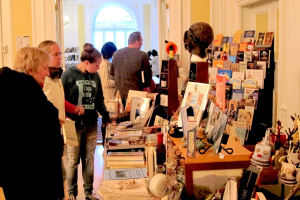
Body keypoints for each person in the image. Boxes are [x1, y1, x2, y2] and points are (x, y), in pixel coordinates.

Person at [0, 47, 64, 199]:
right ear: (30, 69)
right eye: (45, 68)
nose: (48, 73)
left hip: (14, 172)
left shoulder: (12, 88)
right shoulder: (27, 88)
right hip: (33, 175)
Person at [61, 43, 110, 200]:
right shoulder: (68, 75)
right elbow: (61, 100)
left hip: (90, 124)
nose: (98, 69)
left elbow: (99, 99)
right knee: (72, 161)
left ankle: (88, 193)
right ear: (87, 63)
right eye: (96, 66)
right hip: (72, 125)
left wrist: (105, 115)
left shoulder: (95, 76)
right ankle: (72, 194)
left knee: (89, 160)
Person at [38, 40, 84, 123]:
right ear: (45, 56)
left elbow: (59, 100)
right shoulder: (41, 79)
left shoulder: (57, 76)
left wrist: (74, 109)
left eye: (60, 54)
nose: (59, 58)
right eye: (56, 54)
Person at [111, 31, 152, 106]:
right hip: (135, 96)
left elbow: (112, 73)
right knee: (134, 117)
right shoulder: (142, 55)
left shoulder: (116, 54)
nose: (142, 43)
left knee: (120, 117)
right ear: (137, 42)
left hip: (118, 95)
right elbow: (148, 78)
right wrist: (143, 86)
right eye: (141, 41)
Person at [98, 41, 117, 107]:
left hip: (109, 95)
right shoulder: (104, 65)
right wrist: (117, 81)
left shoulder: (107, 63)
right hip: (107, 96)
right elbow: (105, 82)